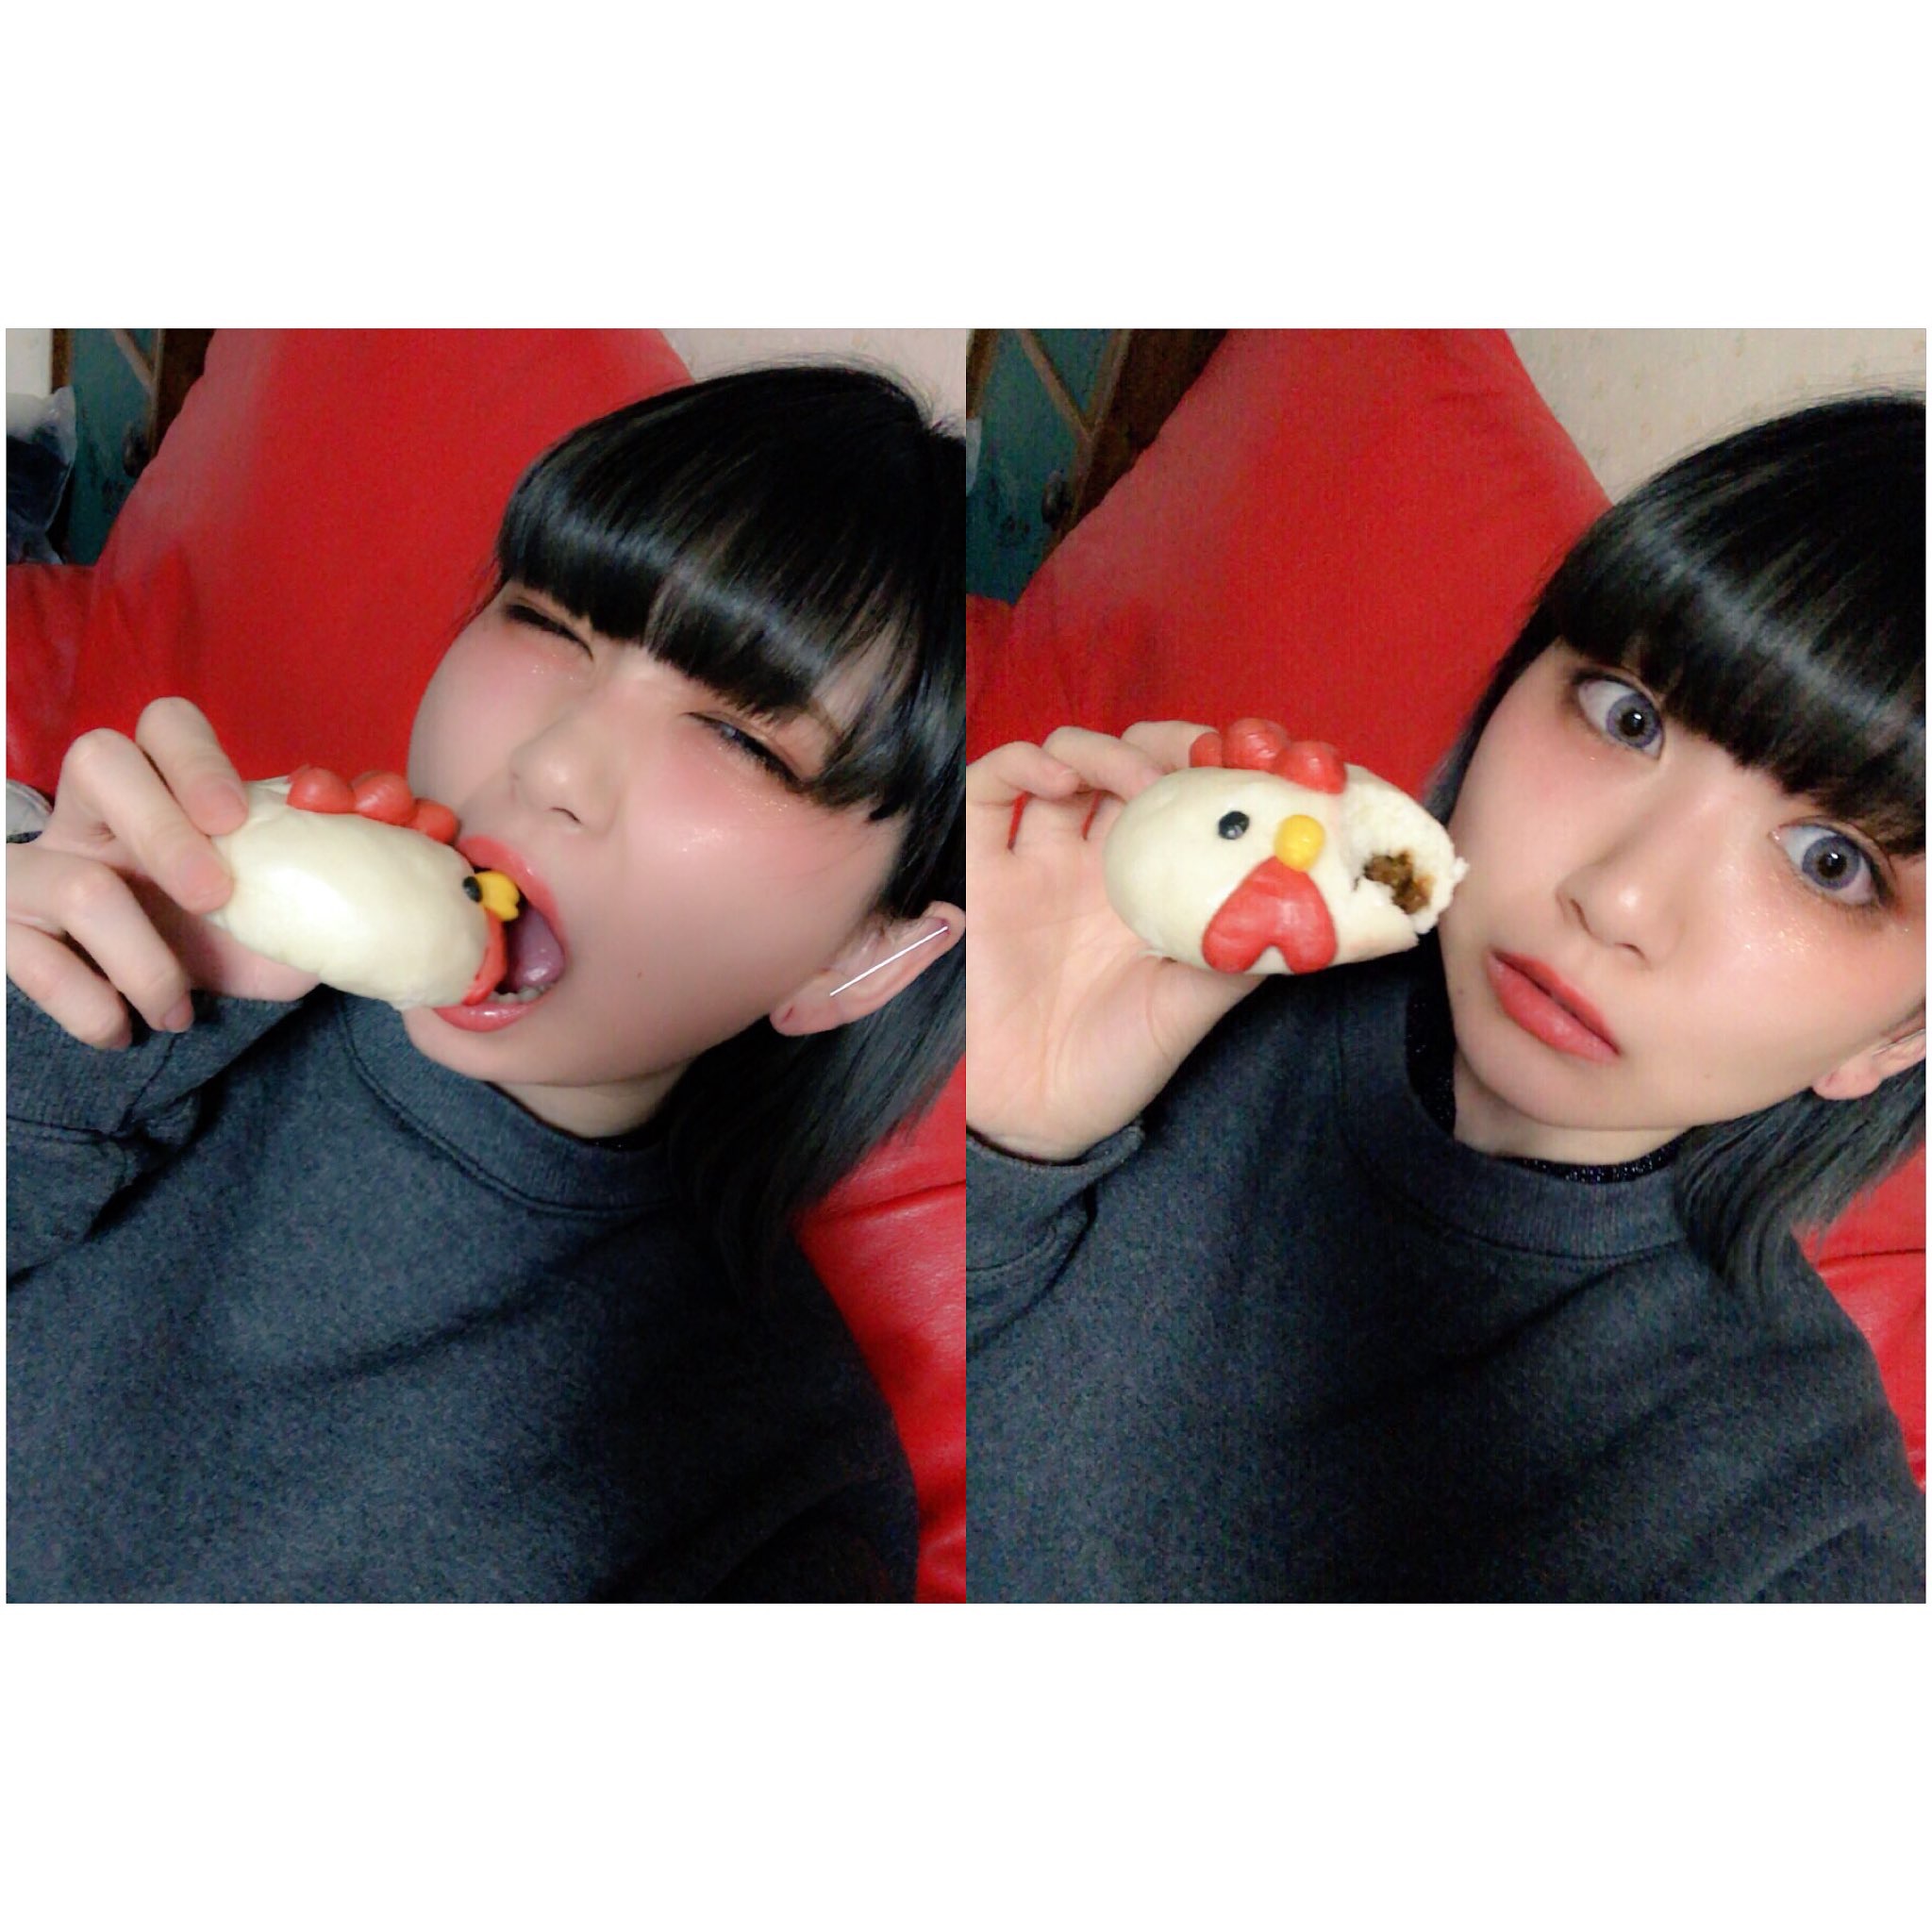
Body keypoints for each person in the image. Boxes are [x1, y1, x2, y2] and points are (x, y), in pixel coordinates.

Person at [7, 364, 964, 1603]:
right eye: (550, 624)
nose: (553, 760)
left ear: (859, 959)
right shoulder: (117, 938)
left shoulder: (775, 1501)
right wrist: (53, 1046)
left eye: (743, 738)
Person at [965, 393, 1925, 1602]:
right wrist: (1004, 1138)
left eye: (1829, 861)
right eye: (1627, 716)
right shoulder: (1208, 975)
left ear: (1897, 1036)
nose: (1615, 897)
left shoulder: (1801, 1546)